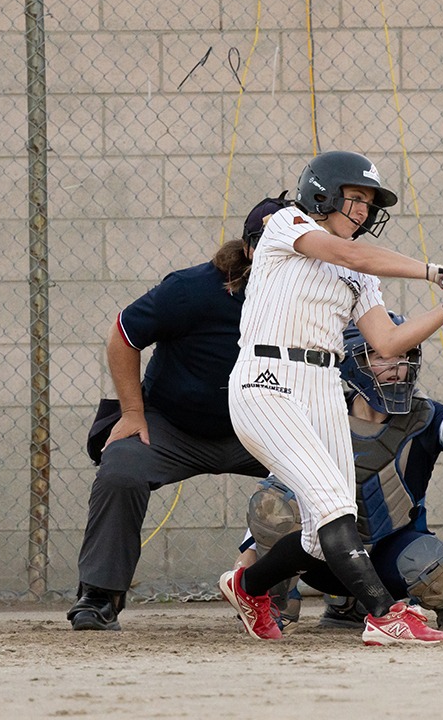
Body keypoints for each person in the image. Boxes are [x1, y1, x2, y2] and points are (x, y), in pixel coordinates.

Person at [218, 149, 443, 646]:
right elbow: (346, 252)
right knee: (332, 507)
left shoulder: (362, 274)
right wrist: (433, 271)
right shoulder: (288, 224)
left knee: (319, 538)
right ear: (322, 192)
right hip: (268, 377)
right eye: (356, 197)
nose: (364, 210)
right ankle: (384, 616)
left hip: (323, 385)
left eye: (370, 202)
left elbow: (387, 342)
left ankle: (248, 587)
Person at [238, 316, 443, 633]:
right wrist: (248, 550)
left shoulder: (424, 417)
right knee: (272, 506)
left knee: (439, 575)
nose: (397, 366)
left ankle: (441, 608)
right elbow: (277, 486)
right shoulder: (320, 414)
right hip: (319, 556)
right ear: (353, 363)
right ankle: (279, 606)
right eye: (382, 357)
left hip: (388, 559)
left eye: (404, 356)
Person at [66, 197, 284, 631]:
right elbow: (123, 333)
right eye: (268, 246)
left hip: (259, 428)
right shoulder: (194, 288)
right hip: (173, 425)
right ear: (248, 249)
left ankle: (320, 594)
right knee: (121, 469)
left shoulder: (308, 297)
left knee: (331, 476)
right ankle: (100, 594)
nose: (277, 257)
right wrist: (131, 412)